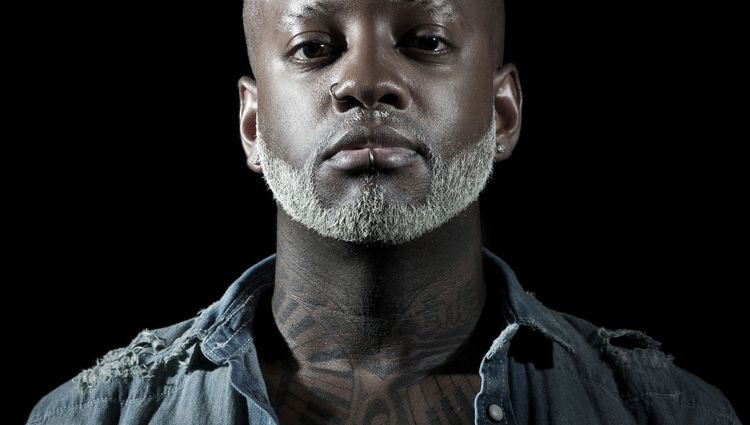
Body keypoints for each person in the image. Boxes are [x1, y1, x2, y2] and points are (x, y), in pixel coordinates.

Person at [28, 0, 740, 424]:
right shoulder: (92, 417)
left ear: (502, 111)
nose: (366, 81)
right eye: (313, 47)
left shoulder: (670, 412)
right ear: (251, 123)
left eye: (425, 41)